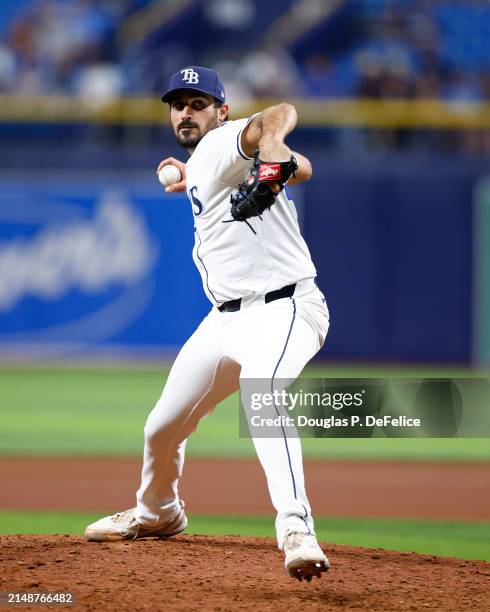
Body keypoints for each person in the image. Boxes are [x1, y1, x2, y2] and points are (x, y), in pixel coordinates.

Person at [85, 66, 330, 581]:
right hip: (225, 320)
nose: (185, 112)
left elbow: (278, 114)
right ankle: (158, 514)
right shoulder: (210, 160)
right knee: (161, 428)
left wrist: (270, 147)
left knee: (262, 394)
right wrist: (274, 163)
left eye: (198, 103)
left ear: (222, 111)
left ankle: (296, 528)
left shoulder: (224, 142)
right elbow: (301, 167)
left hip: (283, 307)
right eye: (178, 104)